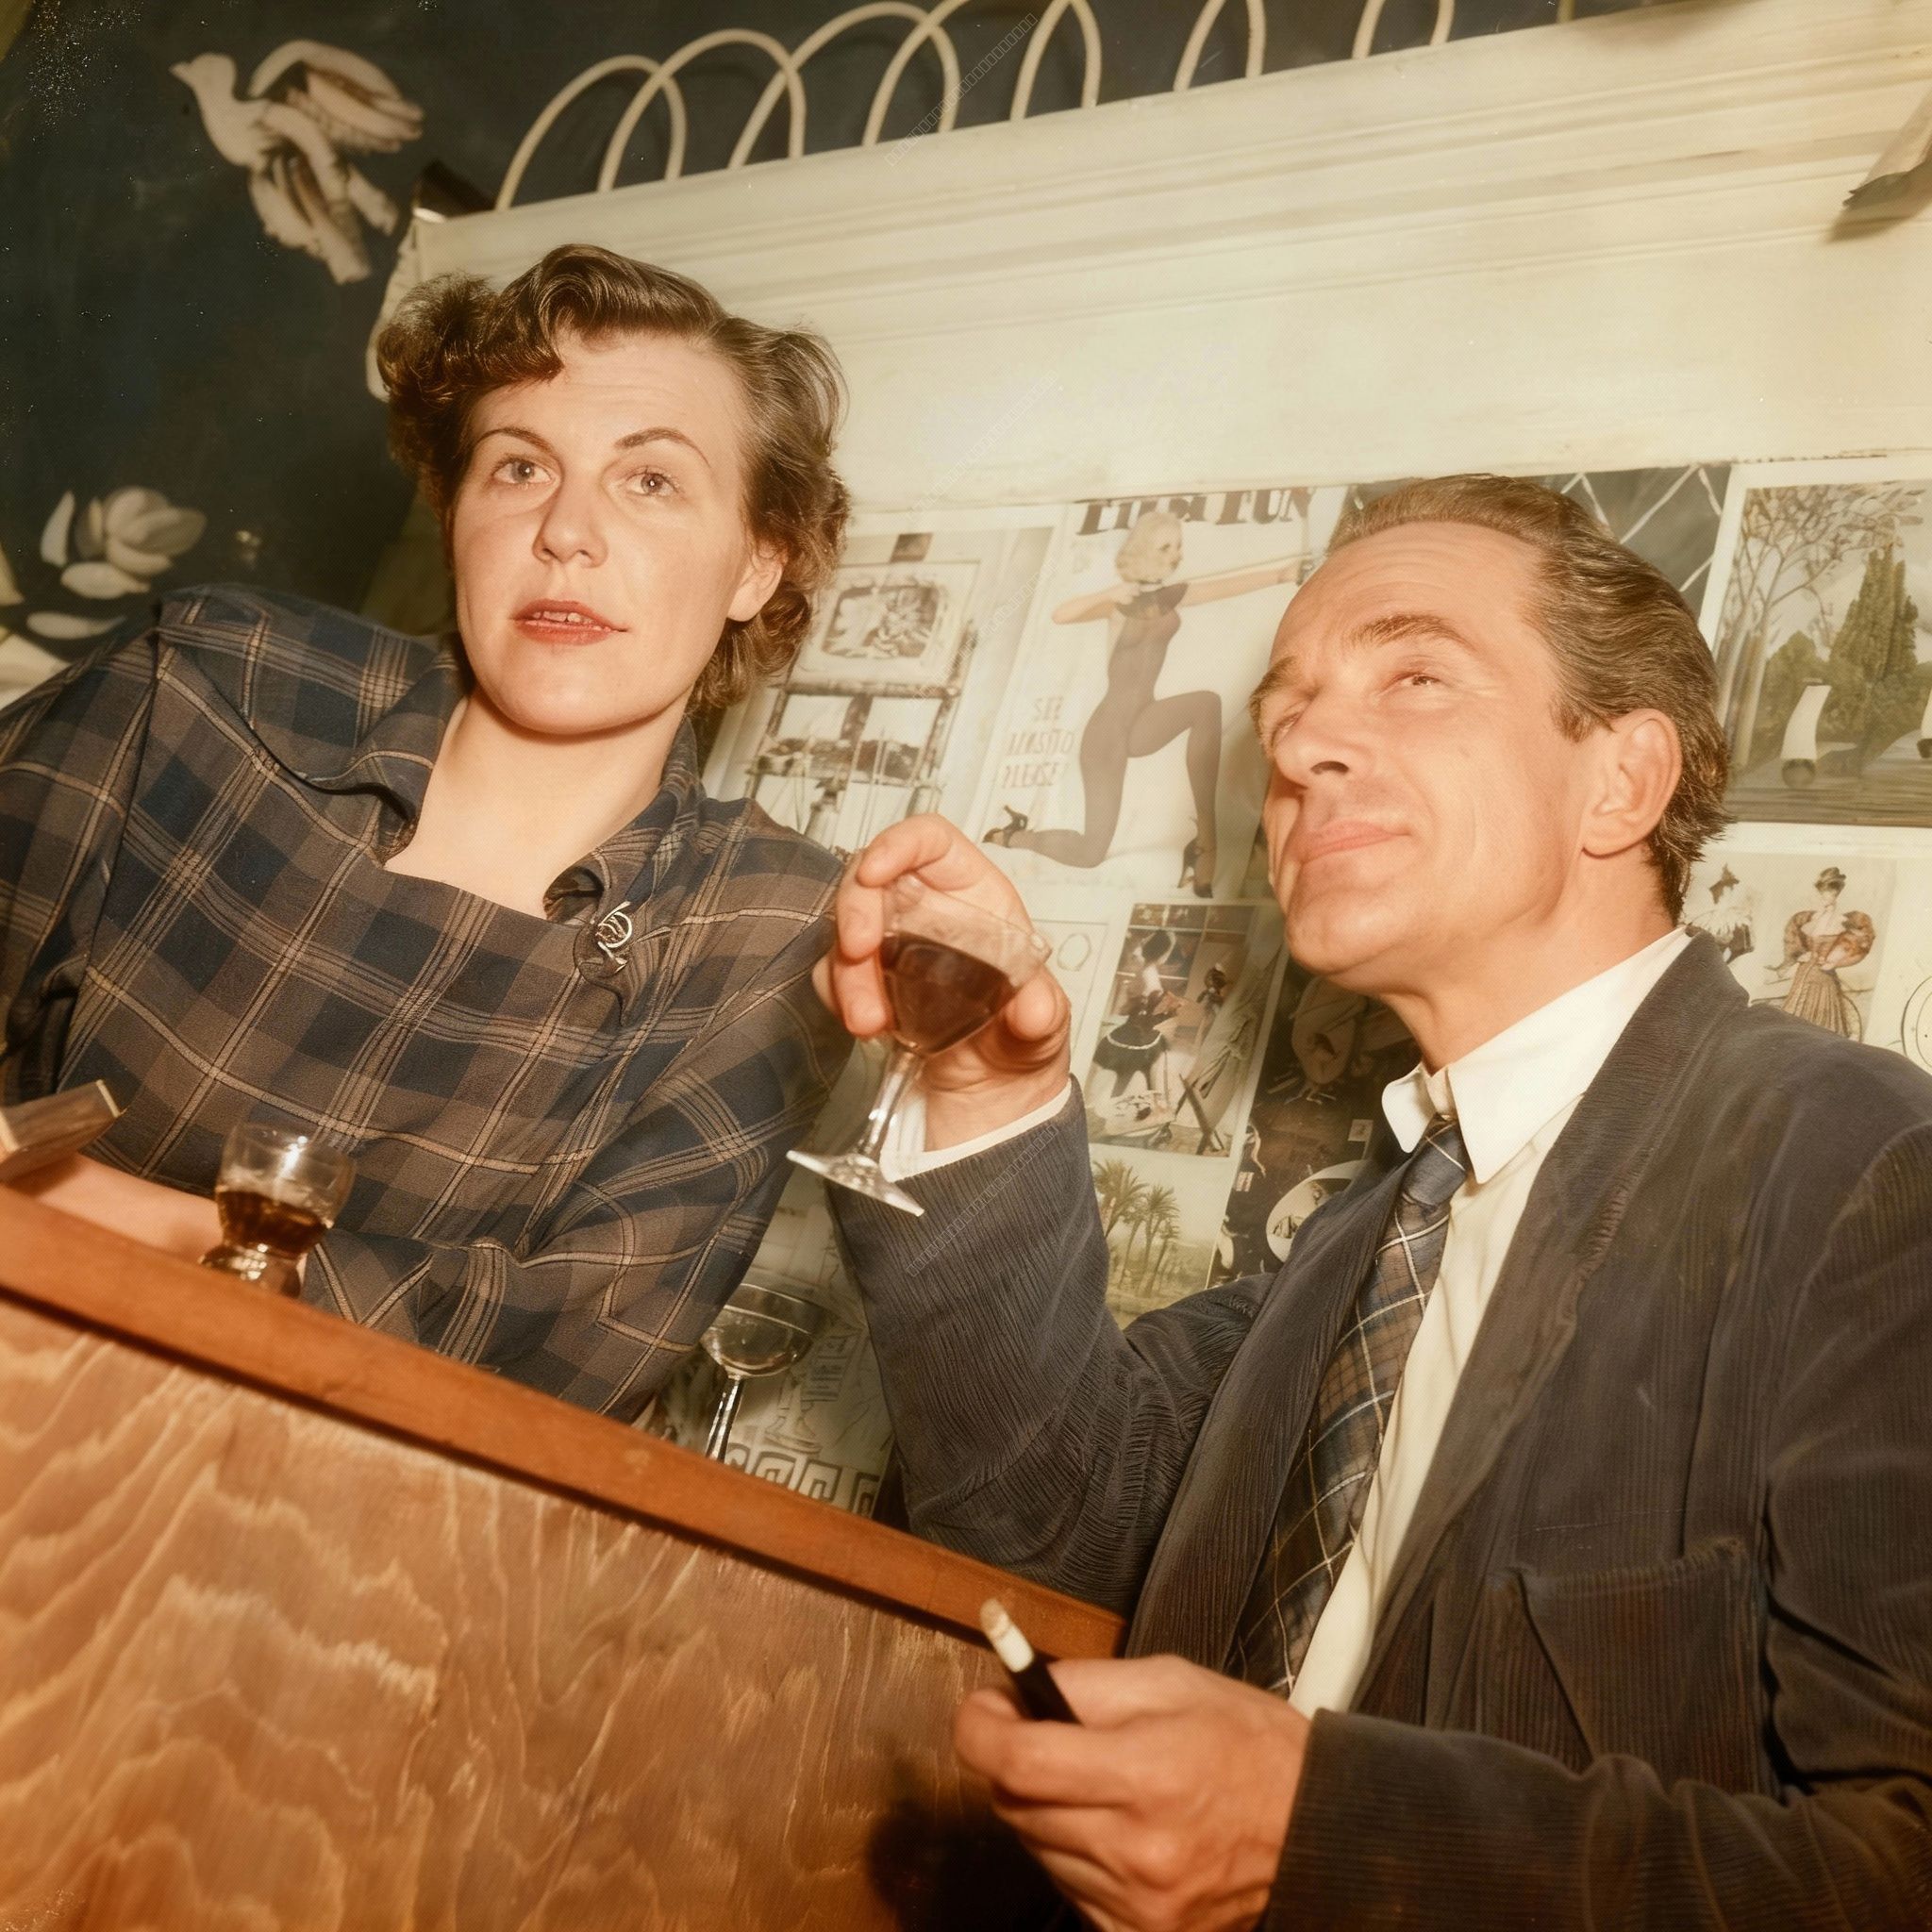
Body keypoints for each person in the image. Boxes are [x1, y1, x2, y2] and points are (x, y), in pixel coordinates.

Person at [815, 474, 1932, 1929]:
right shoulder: (1362, 1240)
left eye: (1414, 675)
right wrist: (980, 1088)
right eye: (1290, 710)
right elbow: (1045, 1518)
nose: (1302, 745)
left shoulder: (1865, 1173)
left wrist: (1328, 1834)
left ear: (1624, 781)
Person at [0, 243, 853, 1422]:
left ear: (760, 561)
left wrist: (96, 1212)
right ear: (455, 510)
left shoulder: (767, 930)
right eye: (517, 466)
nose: (566, 531)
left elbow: (562, 1362)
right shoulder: (201, 682)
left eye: (650, 480)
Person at [983, 510, 1298, 895]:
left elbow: (1222, 586)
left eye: (1179, 546)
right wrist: (1108, 594)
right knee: (1091, 852)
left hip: (1144, 719)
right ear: (1143, 551)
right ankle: (1014, 838)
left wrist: (1280, 574)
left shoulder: (1169, 596)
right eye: (1166, 546)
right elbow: (1060, 615)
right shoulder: (1120, 604)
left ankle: (1206, 843)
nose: (1176, 554)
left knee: (1206, 704)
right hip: (1107, 735)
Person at [1768, 864, 1875, 1038]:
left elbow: (1856, 943)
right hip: (1803, 974)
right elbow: (1797, 939)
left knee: (1823, 1025)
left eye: (1830, 892)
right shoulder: (1812, 918)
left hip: (1824, 977)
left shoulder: (1841, 921)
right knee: (1794, 1018)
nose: (1825, 896)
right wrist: (1802, 954)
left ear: (1836, 894)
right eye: (1823, 892)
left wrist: (1833, 961)